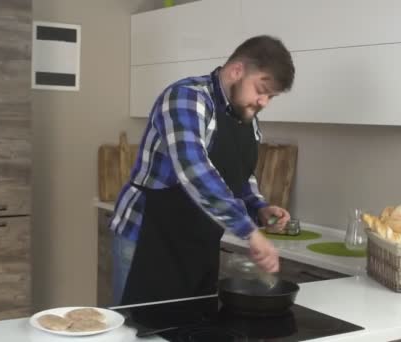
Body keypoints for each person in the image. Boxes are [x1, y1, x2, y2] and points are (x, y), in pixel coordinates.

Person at [109, 35, 295, 305]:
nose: (263, 102)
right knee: (136, 330)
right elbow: (195, 170)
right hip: (146, 240)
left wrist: (258, 207)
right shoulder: (185, 97)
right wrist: (250, 232)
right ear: (237, 71)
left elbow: (240, 174)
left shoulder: (245, 114)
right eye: (261, 89)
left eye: (271, 96)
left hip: (199, 244)